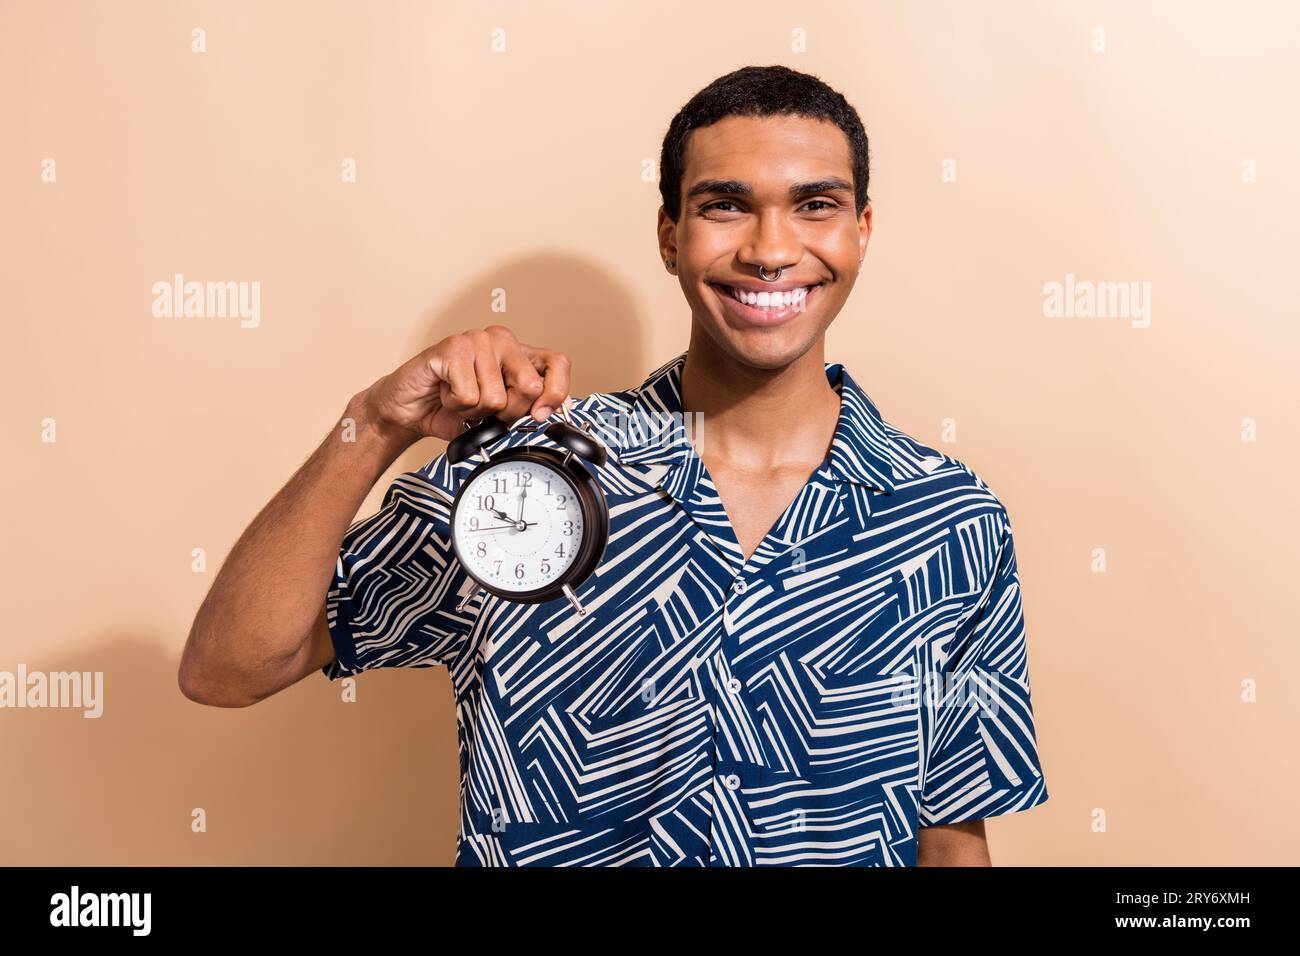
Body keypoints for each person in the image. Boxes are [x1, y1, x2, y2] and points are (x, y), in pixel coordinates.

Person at [179, 64, 1048, 866]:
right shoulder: (532, 476)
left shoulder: (950, 520)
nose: (771, 248)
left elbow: (951, 844)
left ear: (862, 230)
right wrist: (373, 421)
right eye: (725, 205)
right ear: (669, 235)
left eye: (815, 205)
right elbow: (229, 667)